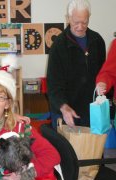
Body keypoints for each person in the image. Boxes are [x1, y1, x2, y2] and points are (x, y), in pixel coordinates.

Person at [47, 0, 106, 128]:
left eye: (84, 22)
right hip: (67, 112)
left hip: (93, 111)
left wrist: (104, 85)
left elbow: (104, 73)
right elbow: (53, 86)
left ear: (89, 18)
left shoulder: (97, 41)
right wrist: (63, 106)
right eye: (76, 22)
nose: (80, 26)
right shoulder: (59, 46)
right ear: (68, 18)